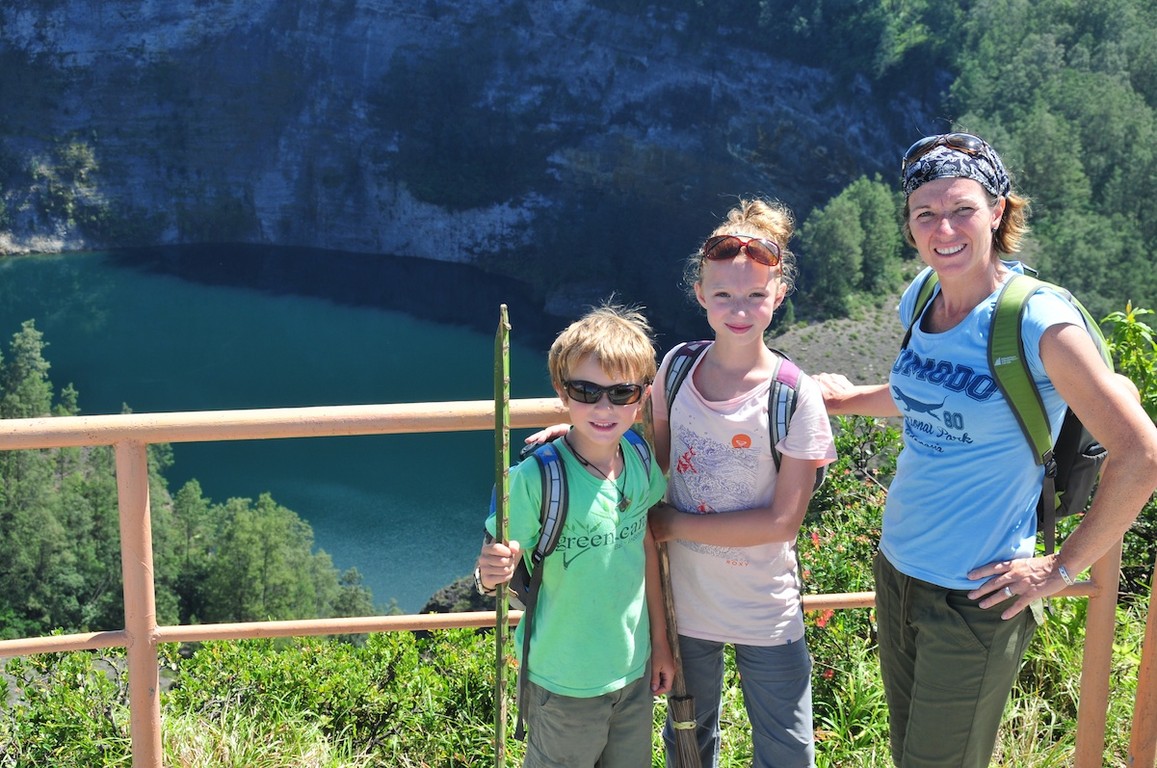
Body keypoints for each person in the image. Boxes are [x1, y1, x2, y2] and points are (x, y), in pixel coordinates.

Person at [815, 132, 1157, 767]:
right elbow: (926, 393)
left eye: (962, 209)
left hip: (974, 596)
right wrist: (846, 399)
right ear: (909, 223)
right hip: (898, 570)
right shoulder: (923, 295)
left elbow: (1142, 455)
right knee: (909, 753)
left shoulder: (1038, 322)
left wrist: (1061, 569)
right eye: (925, 213)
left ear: (998, 211)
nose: (943, 229)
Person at [648, 198, 836, 768]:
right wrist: (577, 434)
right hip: (686, 605)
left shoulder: (793, 395)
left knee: (787, 751)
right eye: (724, 294)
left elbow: (782, 523)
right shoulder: (676, 369)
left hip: (764, 608)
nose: (739, 309)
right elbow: (652, 461)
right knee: (687, 743)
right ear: (700, 294)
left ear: (779, 295)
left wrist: (673, 526)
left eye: (755, 295)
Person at [475, 303, 674, 768]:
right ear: (562, 391)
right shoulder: (533, 481)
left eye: (621, 393)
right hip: (562, 682)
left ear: (642, 397)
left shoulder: (639, 458)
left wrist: (661, 645)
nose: (604, 408)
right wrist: (490, 572)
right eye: (586, 391)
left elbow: (646, 548)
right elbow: (491, 569)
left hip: (633, 670)